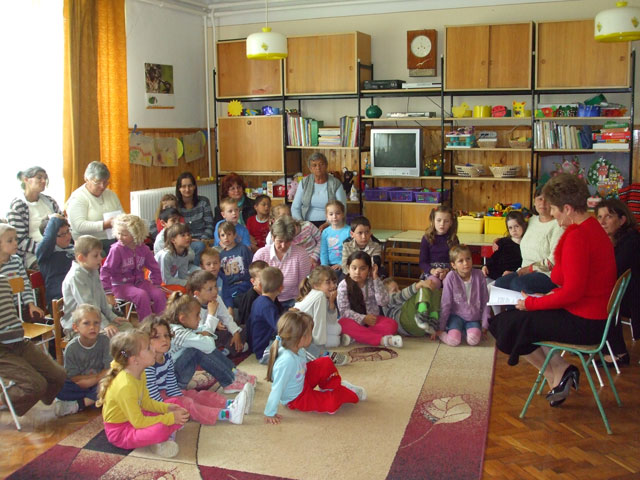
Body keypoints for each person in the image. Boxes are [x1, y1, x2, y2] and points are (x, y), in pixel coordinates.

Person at [489, 174, 617, 407]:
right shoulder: (590, 228)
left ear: (567, 208)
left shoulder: (578, 236)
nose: (553, 214)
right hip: (594, 318)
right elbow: (564, 279)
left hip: (585, 324)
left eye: (555, 209)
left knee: (504, 324)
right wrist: (545, 297)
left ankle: (555, 373)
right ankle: (560, 370)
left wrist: (532, 303)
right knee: (517, 321)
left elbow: (571, 292)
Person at [96, 330, 189, 458]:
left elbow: (146, 403)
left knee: (175, 403)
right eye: (149, 348)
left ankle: (162, 436)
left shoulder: (141, 373)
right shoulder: (125, 385)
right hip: (121, 432)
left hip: (136, 415)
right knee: (160, 429)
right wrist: (170, 418)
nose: (154, 349)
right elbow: (138, 422)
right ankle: (161, 439)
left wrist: (167, 408)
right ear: (135, 360)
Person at [142, 316, 250, 425]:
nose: (164, 340)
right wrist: (174, 405)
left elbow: (172, 386)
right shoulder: (148, 365)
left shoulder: (167, 357)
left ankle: (229, 403)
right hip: (154, 402)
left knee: (195, 395)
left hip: (165, 394)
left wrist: (180, 396)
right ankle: (227, 414)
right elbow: (152, 399)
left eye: (166, 335)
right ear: (146, 341)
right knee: (187, 403)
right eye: (157, 337)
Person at [264, 311, 364, 424]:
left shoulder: (298, 348)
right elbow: (277, 388)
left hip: (301, 379)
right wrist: (269, 413)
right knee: (331, 404)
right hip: (296, 398)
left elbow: (310, 366)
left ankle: (334, 387)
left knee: (325, 362)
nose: (312, 337)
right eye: (311, 333)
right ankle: (348, 392)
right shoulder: (286, 361)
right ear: (301, 338)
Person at [0, 275, 66, 417]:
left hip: (18, 341)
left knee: (59, 375)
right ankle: (5, 399)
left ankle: (34, 396)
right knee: (36, 385)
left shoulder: (3, 280)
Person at [164, 291, 255, 392]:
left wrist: (206, 332)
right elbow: (209, 345)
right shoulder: (178, 333)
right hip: (173, 381)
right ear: (182, 319)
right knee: (198, 349)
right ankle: (228, 381)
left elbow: (205, 331)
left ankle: (234, 372)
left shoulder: (182, 327)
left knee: (202, 344)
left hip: (177, 372)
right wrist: (211, 316)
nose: (199, 318)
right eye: (197, 315)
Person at [494, 185, 563, 295]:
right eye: (539, 199)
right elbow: (516, 235)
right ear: (534, 202)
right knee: (500, 284)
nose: (543, 203)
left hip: (547, 274)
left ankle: (531, 305)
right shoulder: (531, 220)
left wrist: (529, 269)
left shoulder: (558, 225)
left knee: (517, 285)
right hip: (524, 270)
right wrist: (499, 241)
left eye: (547, 199)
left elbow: (553, 261)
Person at [595, 198, 640, 366]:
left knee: (601, 298)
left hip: (633, 298)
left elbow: (613, 269)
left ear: (622, 220)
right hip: (626, 294)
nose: (602, 222)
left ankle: (615, 352)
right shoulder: (613, 240)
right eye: (600, 217)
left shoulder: (631, 240)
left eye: (608, 216)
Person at [100, 214, 166, 324]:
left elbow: (154, 267)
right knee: (141, 295)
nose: (120, 237)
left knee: (159, 294)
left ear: (136, 234)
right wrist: (108, 292)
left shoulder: (143, 249)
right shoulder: (116, 250)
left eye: (124, 234)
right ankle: (147, 326)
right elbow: (105, 271)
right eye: (119, 233)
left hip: (140, 282)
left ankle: (163, 324)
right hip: (120, 285)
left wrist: (156, 284)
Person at [61, 235, 132, 337]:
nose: (100, 258)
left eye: (100, 254)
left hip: (95, 319)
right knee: (113, 336)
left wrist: (112, 317)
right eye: (95, 256)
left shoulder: (93, 269)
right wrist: (105, 324)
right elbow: (88, 306)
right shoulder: (76, 276)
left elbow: (102, 299)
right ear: (81, 258)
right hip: (80, 324)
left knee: (127, 327)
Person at [54, 304, 111, 416]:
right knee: (59, 385)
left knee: (112, 382)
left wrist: (97, 379)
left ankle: (79, 404)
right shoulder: (71, 348)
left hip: (99, 383)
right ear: (76, 327)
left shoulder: (105, 341)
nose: (92, 327)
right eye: (86, 323)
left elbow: (109, 369)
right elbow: (74, 377)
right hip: (80, 384)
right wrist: (95, 378)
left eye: (96, 323)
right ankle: (95, 399)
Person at [337, 251, 402, 348]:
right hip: (353, 321)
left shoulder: (373, 282)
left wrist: (375, 278)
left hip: (373, 321)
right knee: (342, 324)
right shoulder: (343, 285)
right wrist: (363, 318)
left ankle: (355, 337)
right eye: (354, 268)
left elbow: (383, 302)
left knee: (392, 324)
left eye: (362, 268)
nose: (357, 272)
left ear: (369, 269)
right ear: (348, 268)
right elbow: (344, 311)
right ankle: (382, 340)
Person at [7, 166, 62, 269]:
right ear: (26, 180)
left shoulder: (50, 201)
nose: (43, 181)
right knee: (60, 266)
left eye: (45, 178)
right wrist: (45, 249)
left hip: (58, 248)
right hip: (33, 255)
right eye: (39, 177)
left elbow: (64, 225)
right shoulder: (18, 205)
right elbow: (19, 240)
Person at [253, 216, 312, 309]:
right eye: (280, 241)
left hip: (293, 301)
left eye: (288, 241)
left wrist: (298, 305)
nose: (283, 245)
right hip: (267, 301)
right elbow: (257, 284)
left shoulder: (301, 254)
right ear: (272, 237)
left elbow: (303, 285)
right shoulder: (261, 255)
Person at [437, 245, 490, 346]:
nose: (466, 263)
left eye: (468, 259)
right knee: (454, 341)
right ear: (453, 265)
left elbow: (485, 301)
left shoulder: (479, 275)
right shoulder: (450, 277)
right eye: (460, 261)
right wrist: (441, 328)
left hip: (473, 317)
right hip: (455, 316)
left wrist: (484, 326)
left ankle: (465, 331)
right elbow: (445, 303)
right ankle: (453, 331)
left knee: (474, 340)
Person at [295, 266, 349, 366]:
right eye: (328, 282)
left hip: (310, 332)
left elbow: (331, 321)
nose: (333, 286)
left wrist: (331, 303)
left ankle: (322, 345)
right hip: (300, 333)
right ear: (316, 285)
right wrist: (320, 347)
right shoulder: (319, 296)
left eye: (334, 282)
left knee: (336, 328)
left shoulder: (322, 295)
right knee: (332, 336)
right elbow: (318, 324)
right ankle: (320, 353)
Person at [186, 270, 247, 357]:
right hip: (202, 339)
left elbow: (226, 318)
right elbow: (203, 334)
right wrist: (211, 313)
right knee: (202, 348)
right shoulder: (192, 307)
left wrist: (235, 333)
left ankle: (226, 351)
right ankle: (229, 351)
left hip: (214, 335)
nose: (215, 291)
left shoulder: (216, 298)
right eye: (210, 289)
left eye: (215, 286)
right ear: (197, 293)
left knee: (243, 328)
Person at [66, 161, 124, 253]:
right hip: (88, 243)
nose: (102, 186)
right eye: (97, 182)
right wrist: (104, 225)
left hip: (112, 239)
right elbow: (78, 226)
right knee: (107, 256)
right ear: (86, 179)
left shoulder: (111, 195)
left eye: (105, 182)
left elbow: (122, 216)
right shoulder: (78, 197)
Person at [0, 223, 45, 321]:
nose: (15, 243)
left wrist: (31, 305)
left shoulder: (16, 260)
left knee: (38, 317)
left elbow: (25, 284)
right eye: (10, 241)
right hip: (4, 310)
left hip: (19, 307)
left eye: (16, 239)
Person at [291, 152, 347, 228]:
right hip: (306, 223)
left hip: (331, 223)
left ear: (326, 165)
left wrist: (328, 223)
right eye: (314, 165)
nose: (318, 168)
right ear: (310, 169)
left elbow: (343, 207)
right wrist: (302, 224)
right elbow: (295, 207)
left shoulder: (335, 183)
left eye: (321, 164)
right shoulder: (304, 182)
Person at [36, 215, 74, 309]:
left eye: (68, 231)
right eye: (62, 234)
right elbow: (49, 238)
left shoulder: (73, 248)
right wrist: (53, 218)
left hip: (75, 295)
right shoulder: (45, 253)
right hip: (59, 299)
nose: (67, 236)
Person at [175, 172, 214, 264]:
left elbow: (210, 225)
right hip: (183, 241)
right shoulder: (176, 206)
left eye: (190, 186)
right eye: (183, 186)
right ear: (179, 188)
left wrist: (203, 239)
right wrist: (187, 240)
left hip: (202, 240)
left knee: (201, 246)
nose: (187, 189)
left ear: (194, 187)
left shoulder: (204, 202)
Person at [419, 206, 459, 289]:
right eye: (438, 220)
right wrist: (433, 271)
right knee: (432, 283)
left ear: (451, 223)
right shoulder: (426, 238)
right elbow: (422, 262)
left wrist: (446, 271)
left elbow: (456, 260)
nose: (442, 224)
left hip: (449, 271)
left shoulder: (453, 239)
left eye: (446, 221)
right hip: (432, 271)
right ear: (433, 221)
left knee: (449, 282)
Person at [249, 267, 284, 362]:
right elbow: (280, 328)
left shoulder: (259, 301)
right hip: (264, 351)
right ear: (281, 288)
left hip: (260, 346)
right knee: (294, 346)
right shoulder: (267, 306)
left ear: (260, 285)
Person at [482, 211, 526, 281]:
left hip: (513, 278)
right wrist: (485, 266)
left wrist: (513, 273)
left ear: (523, 225)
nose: (514, 230)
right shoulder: (503, 242)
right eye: (510, 228)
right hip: (494, 275)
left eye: (516, 226)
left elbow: (524, 265)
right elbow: (494, 258)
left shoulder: (527, 245)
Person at [217, 222, 253, 309]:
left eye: (229, 234)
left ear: (234, 235)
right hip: (231, 288)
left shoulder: (243, 249)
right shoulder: (221, 255)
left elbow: (252, 265)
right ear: (219, 238)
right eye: (223, 235)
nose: (226, 237)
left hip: (246, 284)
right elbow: (222, 275)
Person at [155, 223, 199, 291]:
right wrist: (186, 283)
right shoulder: (166, 256)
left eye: (188, 234)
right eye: (183, 235)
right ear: (173, 240)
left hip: (168, 279)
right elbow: (166, 280)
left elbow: (182, 275)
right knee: (181, 290)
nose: (187, 237)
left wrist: (192, 282)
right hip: (155, 280)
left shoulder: (185, 253)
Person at [236, 260, 271, 329]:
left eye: (268, 278)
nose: (266, 282)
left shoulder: (270, 292)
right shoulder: (250, 297)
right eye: (262, 280)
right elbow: (246, 321)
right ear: (253, 281)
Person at [320, 200, 351, 276]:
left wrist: (341, 264)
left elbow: (351, 250)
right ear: (327, 216)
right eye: (331, 214)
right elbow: (323, 251)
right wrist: (325, 266)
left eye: (338, 213)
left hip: (345, 264)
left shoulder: (349, 231)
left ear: (343, 214)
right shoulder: (325, 232)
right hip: (329, 265)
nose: (334, 217)